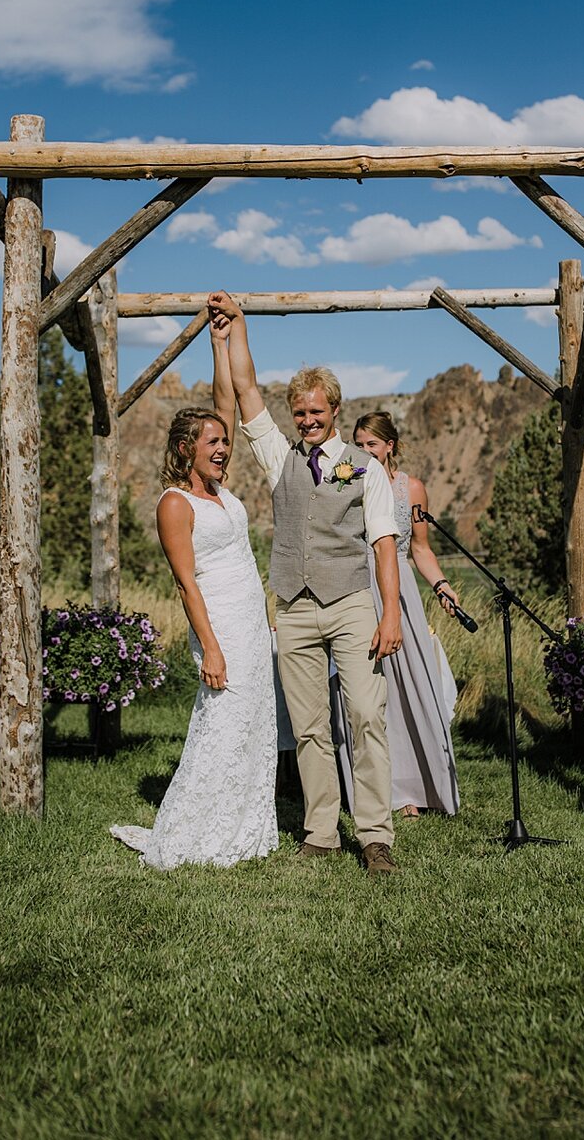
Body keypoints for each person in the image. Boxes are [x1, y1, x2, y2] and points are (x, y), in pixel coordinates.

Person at [208, 290, 404, 876]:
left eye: (317, 412)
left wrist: (389, 613)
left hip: (351, 603)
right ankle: (320, 830)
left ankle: (374, 835)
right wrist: (237, 327)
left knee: (366, 715)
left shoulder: (365, 468)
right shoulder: (278, 456)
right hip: (292, 605)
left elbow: (384, 546)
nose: (309, 421)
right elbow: (245, 392)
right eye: (301, 413)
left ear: (335, 410)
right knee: (310, 724)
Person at [110, 318, 278, 869]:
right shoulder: (175, 504)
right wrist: (209, 647)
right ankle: (193, 832)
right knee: (223, 725)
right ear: (186, 448)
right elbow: (186, 585)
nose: (224, 448)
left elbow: (223, 399)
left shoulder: (220, 489)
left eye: (225, 441)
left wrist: (219, 340)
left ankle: (244, 826)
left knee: (254, 722)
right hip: (219, 626)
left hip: (253, 620)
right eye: (213, 442)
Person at [346, 412, 460, 818]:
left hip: (399, 590)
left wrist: (442, 586)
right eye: (357, 444)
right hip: (357, 587)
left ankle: (418, 786)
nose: (363, 451)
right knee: (368, 689)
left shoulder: (410, 489)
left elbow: (421, 549)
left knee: (409, 686)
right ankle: (381, 789)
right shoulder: (348, 483)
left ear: (389, 445)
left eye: (371, 444)